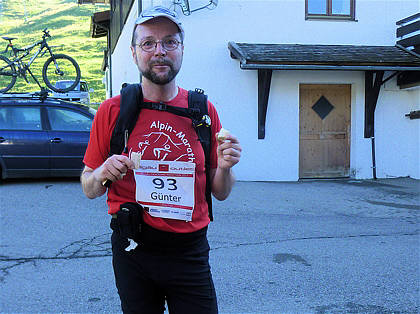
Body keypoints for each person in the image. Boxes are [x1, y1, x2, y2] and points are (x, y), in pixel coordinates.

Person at [80, 5, 242, 314]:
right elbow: (89, 187)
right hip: (133, 248)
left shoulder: (203, 112)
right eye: (149, 43)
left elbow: (220, 191)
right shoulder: (111, 111)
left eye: (169, 42)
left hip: (188, 251)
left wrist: (225, 167)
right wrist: (102, 171)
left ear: (181, 49)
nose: (160, 51)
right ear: (134, 52)